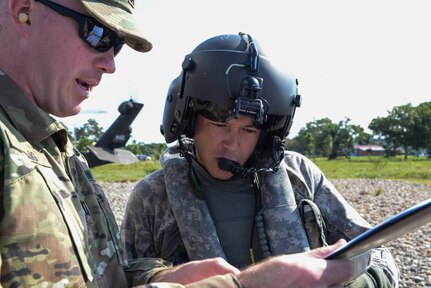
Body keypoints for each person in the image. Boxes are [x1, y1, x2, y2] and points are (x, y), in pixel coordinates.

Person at [121, 32, 400, 287]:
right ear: (189, 121)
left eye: (248, 130)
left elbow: (379, 253)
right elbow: (121, 275)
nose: (233, 144)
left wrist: (358, 283)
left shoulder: (299, 176)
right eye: (220, 125)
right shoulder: (152, 197)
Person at [0, 0, 240, 287]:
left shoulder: (53, 146)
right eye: (98, 34)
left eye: (118, 44)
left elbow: (87, 272)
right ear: (23, 11)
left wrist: (157, 276)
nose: (111, 64)